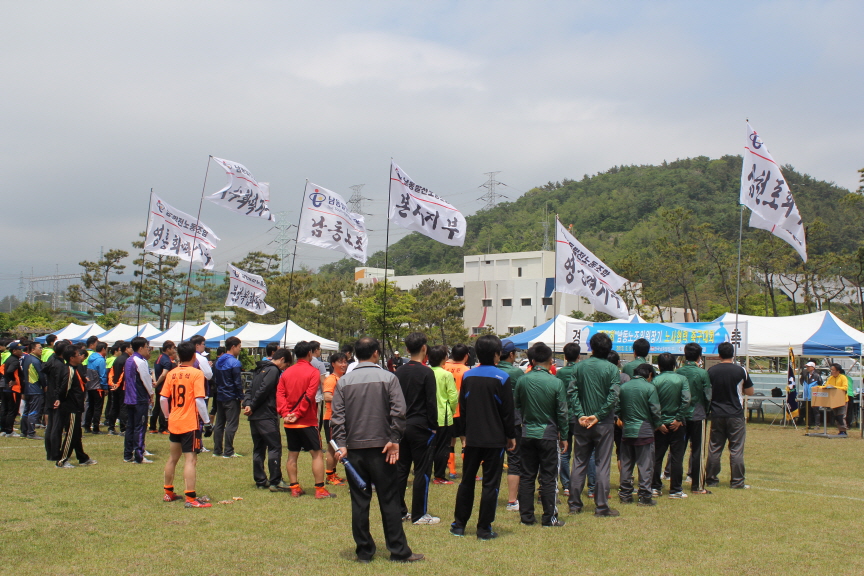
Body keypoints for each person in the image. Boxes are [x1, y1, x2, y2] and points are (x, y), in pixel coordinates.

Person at [331, 337, 423, 563]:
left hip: (354, 451)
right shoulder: (388, 377)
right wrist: (394, 438)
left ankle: (364, 551)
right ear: (375, 353)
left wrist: (342, 445)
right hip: (384, 448)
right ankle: (399, 550)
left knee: (359, 502)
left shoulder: (344, 382)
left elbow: (337, 419)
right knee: (389, 500)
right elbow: (399, 412)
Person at [450, 335, 516, 541]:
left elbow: (463, 407)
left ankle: (459, 525)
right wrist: (511, 435)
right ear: (497, 354)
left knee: (467, 482)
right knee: (490, 484)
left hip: (472, 438)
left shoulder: (469, 376)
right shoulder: (502, 378)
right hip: (495, 440)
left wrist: (464, 434)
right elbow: (507, 411)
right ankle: (484, 529)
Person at [514, 342, 568, 528]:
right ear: (550, 360)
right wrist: (565, 436)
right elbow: (562, 412)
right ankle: (549, 518)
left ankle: (526, 517)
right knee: (548, 477)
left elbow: (517, 405)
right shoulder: (556, 382)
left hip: (527, 432)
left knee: (527, 475)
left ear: (532, 360)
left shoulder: (522, 380)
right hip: (548, 434)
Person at [567, 332, 621, 517]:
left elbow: (572, 392)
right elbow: (613, 396)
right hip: (603, 423)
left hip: (581, 422)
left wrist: (581, 414)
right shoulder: (612, 369)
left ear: (590, 347)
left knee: (579, 462)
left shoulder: (579, 368)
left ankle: (574, 504)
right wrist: (598, 416)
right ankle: (601, 506)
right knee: (602, 464)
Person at [276, 341, 334, 499]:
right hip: (307, 420)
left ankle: (294, 487)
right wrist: (298, 413)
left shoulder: (286, 372)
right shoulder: (313, 371)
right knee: (316, 454)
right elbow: (310, 395)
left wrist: (285, 412)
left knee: (292, 454)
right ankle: (320, 489)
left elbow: (280, 394)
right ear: (310, 354)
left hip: (289, 421)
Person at [159, 341, 213, 508]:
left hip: (174, 421)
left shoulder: (172, 373)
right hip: (190, 423)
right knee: (190, 460)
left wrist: (168, 417)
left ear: (178, 356)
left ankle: (168, 493)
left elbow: (163, 399)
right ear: (194, 355)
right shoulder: (197, 374)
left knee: (173, 458)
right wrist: (207, 422)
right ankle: (190, 497)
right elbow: (199, 400)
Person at [394, 332, 440, 525]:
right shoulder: (426, 372)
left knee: (401, 470)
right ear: (424, 348)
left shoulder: (398, 372)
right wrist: (434, 427)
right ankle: (419, 514)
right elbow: (431, 402)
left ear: (406, 349)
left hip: (401, 426)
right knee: (422, 471)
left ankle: (399, 510)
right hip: (421, 426)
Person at [705, 342, 754, 489]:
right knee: (736, 449)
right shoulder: (741, 371)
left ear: (719, 355)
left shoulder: (711, 371)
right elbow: (750, 392)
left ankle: (711, 479)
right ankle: (737, 481)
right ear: (732, 354)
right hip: (735, 414)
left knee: (715, 448)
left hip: (717, 414)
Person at [243, 348, 293, 491]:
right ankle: (275, 480)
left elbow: (249, 388)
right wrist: (251, 405)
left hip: (254, 416)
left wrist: (247, 403)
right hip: (266, 414)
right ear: (282, 359)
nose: (285, 369)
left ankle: (260, 480)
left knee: (258, 448)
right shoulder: (273, 370)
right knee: (274, 446)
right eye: (286, 365)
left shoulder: (259, 369)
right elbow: (264, 389)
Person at [617, 363, 662, 506]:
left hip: (627, 430)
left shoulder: (623, 387)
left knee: (626, 464)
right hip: (644, 430)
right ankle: (645, 496)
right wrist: (657, 425)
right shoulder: (649, 388)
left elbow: (617, 408)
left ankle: (625, 494)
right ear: (649, 374)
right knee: (645, 465)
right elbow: (655, 410)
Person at [650, 353, 690, 499]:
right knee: (677, 457)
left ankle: (655, 487)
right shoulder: (682, 379)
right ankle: (676, 489)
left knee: (656, 457)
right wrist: (679, 419)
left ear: (659, 366)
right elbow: (686, 400)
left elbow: (652, 404)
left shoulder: (655, 381)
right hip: (677, 425)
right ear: (674, 365)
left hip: (660, 426)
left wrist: (658, 422)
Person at [676, 343, 712, 494]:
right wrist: (707, 411)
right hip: (698, 415)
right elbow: (708, 396)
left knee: (678, 451)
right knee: (697, 451)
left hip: (681, 416)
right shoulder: (702, 373)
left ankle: (675, 485)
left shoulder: (678, 372)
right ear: (699, 356)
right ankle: (697, 486)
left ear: (685, 355)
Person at [56, 345, 97, 468]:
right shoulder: (68, 370)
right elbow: (64, 389)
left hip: (77, 406)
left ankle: (82, 458)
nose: (80, 356)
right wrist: (61, 401)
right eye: (78, 355)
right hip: (71, 407)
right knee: (71, 433)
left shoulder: (76, 368)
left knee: (76, 433)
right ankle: (61, 460)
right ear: (71, 357)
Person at [497, 340, 524, 510]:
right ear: (512, 354)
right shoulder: (516, 373)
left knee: (494, 460)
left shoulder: (492, 370)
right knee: (514, 459)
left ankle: (491, 495)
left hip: (493, 420)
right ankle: (512, 500)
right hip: (513, 419)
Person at [429, 345, 458, 485]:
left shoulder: (426, 372)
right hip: (443, 416)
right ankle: (439, 476)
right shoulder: (446, 374)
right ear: (444, 358)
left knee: (429, 447)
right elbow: (453, 397)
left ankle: (425, 473)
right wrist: (451, 411)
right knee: (442, 447)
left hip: (428, 416)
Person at [556, 342, 581, 497]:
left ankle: (566, 485)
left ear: (564, 356)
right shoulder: (582, 371)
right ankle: (588, 485)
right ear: (579, 356)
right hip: (580, 415)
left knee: (564, 451)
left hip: (564, 415)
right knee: (584, 453)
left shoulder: (560, 373)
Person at [124, 337, 154, 464]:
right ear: (141, 348)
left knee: (130, 427)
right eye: (147, 347)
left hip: (129, 398)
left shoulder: (129, 360)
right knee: (140, 427)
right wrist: (151, 394)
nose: (148, 350)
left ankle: (127, 454)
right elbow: (146, 379)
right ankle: (139, 455)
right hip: (139, 398)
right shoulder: (140, 361)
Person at [212, 336, 243, 458]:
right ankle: (228, 451)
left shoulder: (218, 361)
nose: (240, 350)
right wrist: (241, 397)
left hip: (220, 396)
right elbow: (237, 382)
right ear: (233, 347)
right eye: (239, 347)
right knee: (231, 424)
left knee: (220, 423)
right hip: (231, 396)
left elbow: (214, 378)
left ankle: (217, 450)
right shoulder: (235, 362)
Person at [321, 352, 348, 486]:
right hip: (331, 418)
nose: (344, 365)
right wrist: (344, 400)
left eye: (345, 362)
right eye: (340, 362)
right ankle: (329, 476)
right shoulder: (331, 379)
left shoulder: (343, 378)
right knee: (332, 448)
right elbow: (326, 396)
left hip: (340, 418)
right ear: (333, 364)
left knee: (338, 447)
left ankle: (333, 473)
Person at [444, 343, 471, 477]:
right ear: (466, 356)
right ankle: (467, 471)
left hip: (447, 410)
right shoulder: (466, 371)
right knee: (465, 440)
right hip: (462, 410)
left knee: (451, 441)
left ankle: (452, 471)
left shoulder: (445, 367)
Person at [42, 340, 69, 460]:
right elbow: (60, 384)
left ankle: (50, 452)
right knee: (56, 426)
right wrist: (59, 398)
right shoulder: (59, 365)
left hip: (50, 395)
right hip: (56, 397)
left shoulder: (51, 360)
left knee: (52, 425)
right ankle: (54, 453)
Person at [150, 341, 176, 434]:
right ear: (168, 349)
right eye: (173, 348)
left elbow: (154, 372)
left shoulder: (159, 357)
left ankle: (152, 427)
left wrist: (155, 381)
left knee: (157, 407)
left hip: (159, 386)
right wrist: (157, 383)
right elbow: (164, 374)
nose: (174, 350)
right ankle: (163, 428)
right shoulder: (166, 360)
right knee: (164, 407)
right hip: (164, 386)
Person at [20, 341, 45, 439]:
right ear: (33, 349)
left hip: (27, 388)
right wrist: (45, 385)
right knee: (34, 411)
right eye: (39, 348)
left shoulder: (26, 358)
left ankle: (24, 431)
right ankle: (31, 432)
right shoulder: (35, 360)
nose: (41, 350)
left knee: (27, 411)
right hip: (35, 389)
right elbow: (41, 375)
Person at [106, 341, 130, 435]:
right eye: (130, 347)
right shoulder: (127, 359)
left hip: (115, 385)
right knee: (123, 407)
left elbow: (111, 372)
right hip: (122, 386)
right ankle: (123, 428)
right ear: (127, 349)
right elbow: (124, 374)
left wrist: (113, 383)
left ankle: (111, 427)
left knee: (115, 406)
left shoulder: (117, 359)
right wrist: (118, 383)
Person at [83, 342, 108, 434]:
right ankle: (96, 427)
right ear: (103, 349)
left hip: (90, 386)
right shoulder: (101, 360)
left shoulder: (91, 358)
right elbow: (102, 375)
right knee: (98, 407)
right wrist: (105, 387)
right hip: (98, 387)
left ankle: (87, 426)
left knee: (91, 406)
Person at [1, 343, 24, 437]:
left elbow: (2, 370)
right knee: (12, 410)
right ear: (14, 351)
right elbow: (9, 371)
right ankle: (9, 431)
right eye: (20, 349)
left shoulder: (8, 359)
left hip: (6, 388)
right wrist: (13, 380)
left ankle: (3, 429)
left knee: (4, 409)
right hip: (13, 389)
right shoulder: (14, 361)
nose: (22, 351)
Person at [824, 363, 848, 436]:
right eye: (831, 370)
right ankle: (840, 431)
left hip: (842, 400)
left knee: (841, 416)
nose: (831, 371)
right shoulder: (830, 378)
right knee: (836, 416)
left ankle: (844, 431)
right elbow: (826, 386)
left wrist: (834, 387)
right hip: (833, 400)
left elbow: (845, 387)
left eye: (833, 370)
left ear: (838, 371)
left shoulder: (843, 377)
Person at [800, 361, 822, 427]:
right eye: (807, 366)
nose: (807, 368)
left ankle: (817, 425)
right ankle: (808, 424)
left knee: (816, 411)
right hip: (807, 396)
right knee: (808, 411)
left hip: (815, 396)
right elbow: (802, 381)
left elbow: (820, 384)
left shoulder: (817, 375)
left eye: (809, 366)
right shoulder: (805, 375)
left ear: (813, 367)